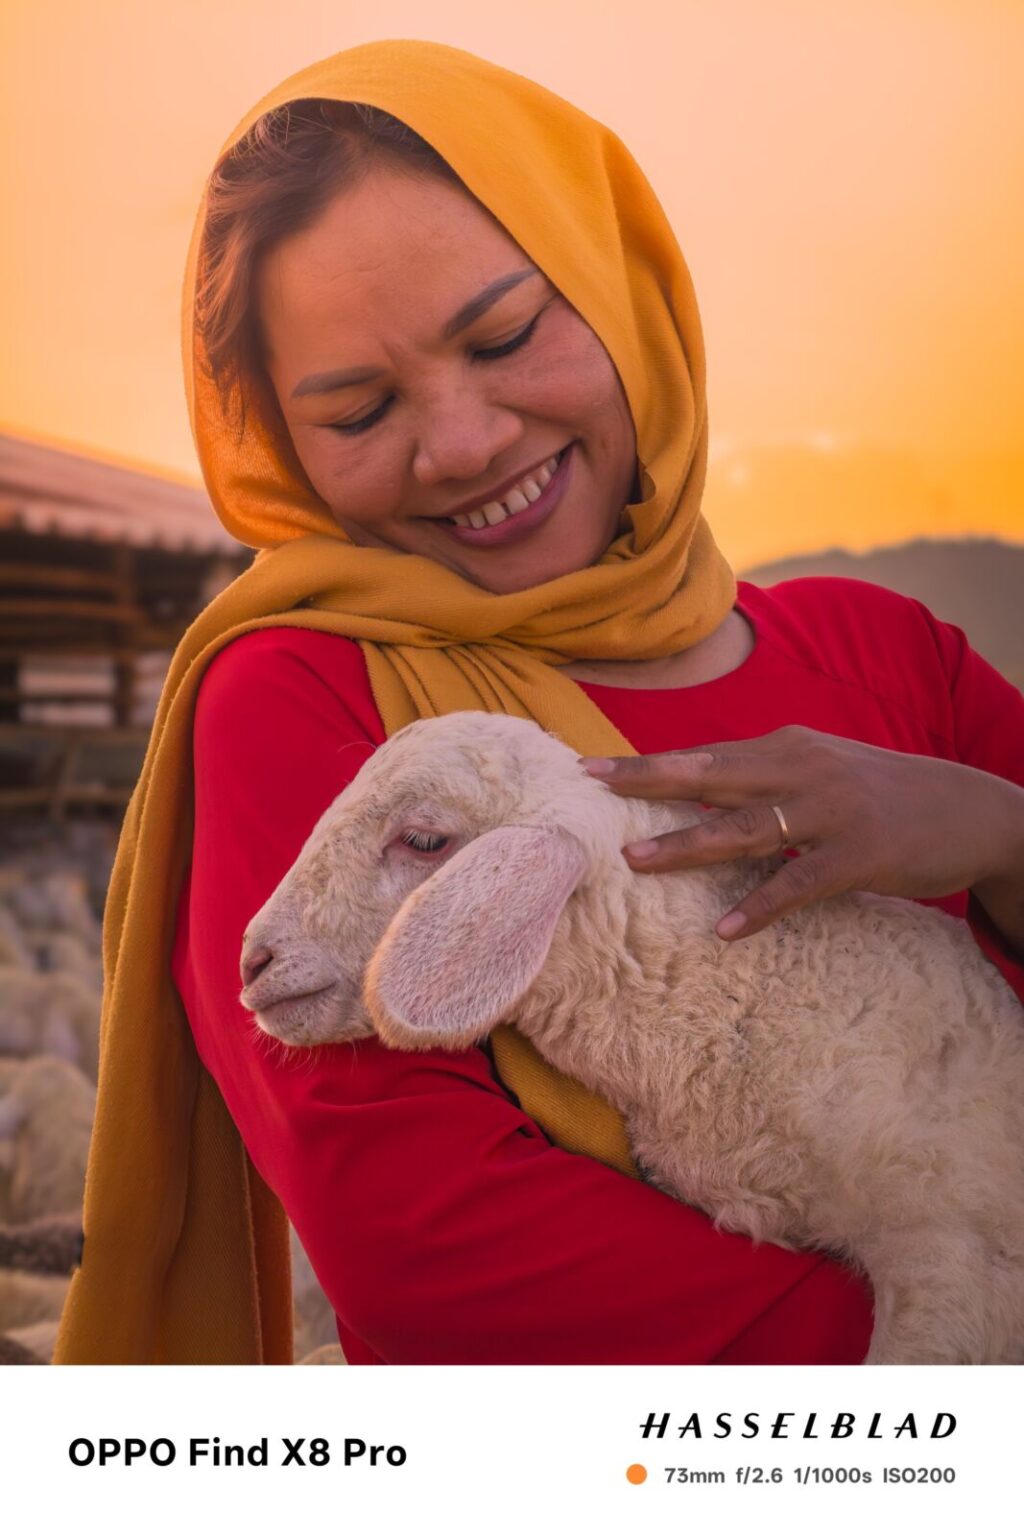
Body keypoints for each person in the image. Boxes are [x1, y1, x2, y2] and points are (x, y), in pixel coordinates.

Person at [54, 40, 1024, 1365]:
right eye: (358, 410)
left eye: (506, 335)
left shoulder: (892, 655)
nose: (461, 444)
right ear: (279, 441)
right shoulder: (305, 696)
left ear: (620, 288)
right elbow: (440, 1251)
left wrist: (1000, 834)